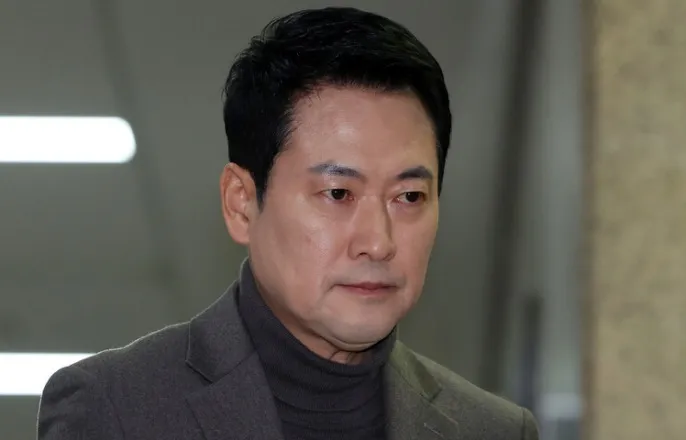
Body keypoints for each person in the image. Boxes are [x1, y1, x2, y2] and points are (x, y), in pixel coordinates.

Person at [37, 7, 538, 440]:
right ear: (241, 203)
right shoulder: (114, 408)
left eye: (409, 197)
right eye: (338, 193)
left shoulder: (493, 429)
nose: (378, 242)